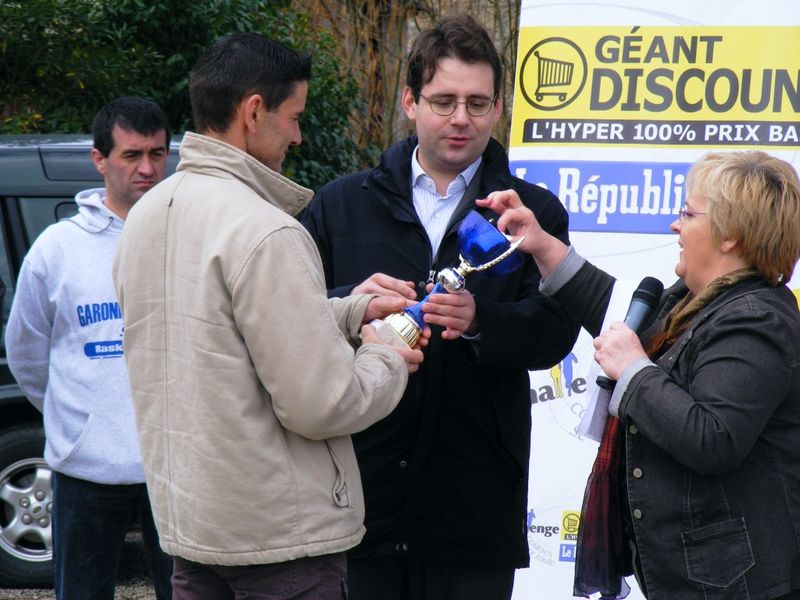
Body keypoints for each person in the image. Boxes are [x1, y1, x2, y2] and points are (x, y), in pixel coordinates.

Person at [112, 32, 426, 600]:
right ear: (254, 112)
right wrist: (385, 356)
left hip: (192, 532)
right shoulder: (267, 230)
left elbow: (221, 338)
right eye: (294, 116)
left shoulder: (146, 213)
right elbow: (324, 403)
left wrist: (353, 312)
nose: (300, 135)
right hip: (283, 545)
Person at [302, 14, 580, 600]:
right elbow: (293, 316)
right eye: (444, 100)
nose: (460, 118)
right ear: (410, 101)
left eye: (477, 103)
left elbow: (554, 333)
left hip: (472, 503)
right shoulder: (341, 203)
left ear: (499, 107)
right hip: (360, 499)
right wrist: (351, 306)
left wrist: (482, 321)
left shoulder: (534, 213)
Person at [478, 150, 800, 600]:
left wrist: (633, 370)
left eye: (688, 213)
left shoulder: (754, 319)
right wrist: (543, 244)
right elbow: (617, 313)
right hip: (700, 578)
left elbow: (714, 438)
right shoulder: (695, 301)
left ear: (731, 235)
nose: (675, 225)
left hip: (735, 585)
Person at [5, 97, 173, 600]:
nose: (147, 168)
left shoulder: (181, 237)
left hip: (171, 464)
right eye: (131, 155)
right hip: (86, 467)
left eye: (158, 154)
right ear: (99, 159)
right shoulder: (58, 248)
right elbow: (28, 354)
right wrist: (76, 423)